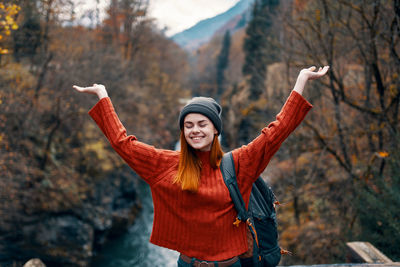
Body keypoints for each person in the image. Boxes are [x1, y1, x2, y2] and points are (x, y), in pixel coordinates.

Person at [73, 66, 329, 267]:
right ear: (183, 131)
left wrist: (301, 81)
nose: (195, 130)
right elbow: (123, 143)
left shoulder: (240, 163)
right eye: (188, 125)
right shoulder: (165, 165)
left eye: (202, 124)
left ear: (216, 129)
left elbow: (276, 132)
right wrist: (103, 96)